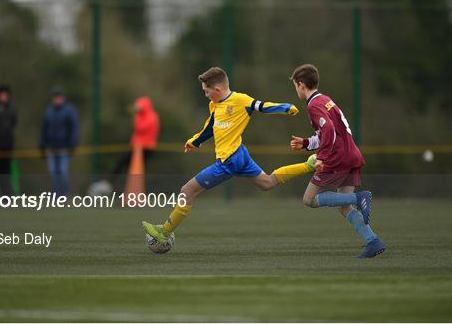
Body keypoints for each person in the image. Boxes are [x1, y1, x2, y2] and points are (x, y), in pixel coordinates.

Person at [142, 67, 316, 243]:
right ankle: (308, 166)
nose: (206, 95)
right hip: (241, 154)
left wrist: (285, 107)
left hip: (229, 161)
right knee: (267, 182)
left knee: (187, 190)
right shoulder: (215, 105)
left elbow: (261, 106)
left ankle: (164, 232)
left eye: (206, 91)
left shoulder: (241, 100)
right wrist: (195, 141)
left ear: (217, 90)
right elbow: (210, 127)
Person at [289, 64, 385, 258]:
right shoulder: (325, 100)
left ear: (300, 85)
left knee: (308, 199)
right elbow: (329, 132)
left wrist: (321, 158)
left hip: (337, 158)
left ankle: (359, 197)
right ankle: (373, 241)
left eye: (295, 86)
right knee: (343, 206)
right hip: (351, 154)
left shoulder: (313, 105)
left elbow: (329, 131)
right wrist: (307, 143)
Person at [39, 87, 79, 196]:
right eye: (55, 97)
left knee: (63, 172)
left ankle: (64, 195)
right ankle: (56, 195)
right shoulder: (49, 111)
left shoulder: (69, 111)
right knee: (53, 173)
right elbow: (44, 129)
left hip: (64, 148)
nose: (57, 100)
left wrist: (72, 144)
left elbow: (74, 128)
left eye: (59, 97)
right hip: (51, 148)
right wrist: (42, 145)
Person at [112, 96, 160, 180]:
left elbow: (140, 128)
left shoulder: (151, 116)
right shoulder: (142, 115)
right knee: (126, 165)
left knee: (134, 168)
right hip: (138, 146)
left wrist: (136, 116)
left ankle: (112, 182)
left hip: (145, 148)